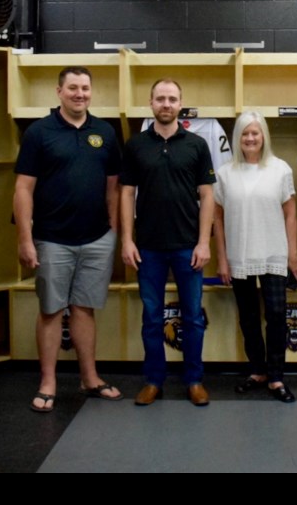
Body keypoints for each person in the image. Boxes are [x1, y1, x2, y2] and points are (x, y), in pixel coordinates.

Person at [14, 67, 123, 413]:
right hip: (51, 239)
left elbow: (113, 186)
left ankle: (89, 377)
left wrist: (114, 232)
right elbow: (22, 188)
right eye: (73, 88)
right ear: (59, 91)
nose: (80, 94)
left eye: (85, 88)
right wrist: (25, 238)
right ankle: (48, 381)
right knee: (50, 310)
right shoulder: (39, 132)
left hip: (96, 238)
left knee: (84, 309)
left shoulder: (105, 131)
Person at [120, 79, 216, 406]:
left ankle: (194, 380)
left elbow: (207, 195)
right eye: (160, 98)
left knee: (191, 317)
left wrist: (204, 242)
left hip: (188, 246)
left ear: (180, 103)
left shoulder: (197, 145)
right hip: (147, 248)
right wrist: (127, 240)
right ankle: (153, 380)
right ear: (151, 103)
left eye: (172, 99)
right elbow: (126, 193)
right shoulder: (135, 146)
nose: (166, 104)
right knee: (151, 317)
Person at [213, 112, 297, 403]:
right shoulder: (225, 173)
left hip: (273, 252)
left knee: (277, 315)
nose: (250, 138)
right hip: (239, 253)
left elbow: (291, 214)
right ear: (237, 138)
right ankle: (257, 371)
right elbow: (217, 217)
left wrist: (292, 253)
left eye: (255, 133)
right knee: (249, 316)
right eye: (244, 134)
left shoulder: (280, 169)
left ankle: (276, 376)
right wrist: (223, 259)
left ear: (264, 135)